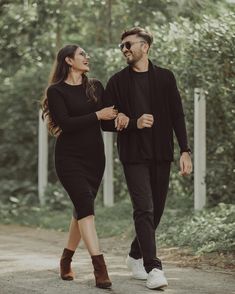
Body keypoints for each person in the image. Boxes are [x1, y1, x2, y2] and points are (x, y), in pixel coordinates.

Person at [101, 27, 192, 290]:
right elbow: (106, 123)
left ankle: (134, 255)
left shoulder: (165, 77)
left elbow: (177, 115)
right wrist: (132, 123)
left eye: (129, 44)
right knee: (144, 208)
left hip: (162, 153)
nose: (125, 49)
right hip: (133, 155)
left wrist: (185, 149)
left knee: (157, 211)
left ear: (145, 46)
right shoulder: (116, 82)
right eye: (122, 46)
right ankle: (154, 268)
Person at [41, 44, 117, 289]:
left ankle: (66, 260)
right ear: (68, 60)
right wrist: (98, 115)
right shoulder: (56, 91)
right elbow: (66, 123)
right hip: (69, 158)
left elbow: (108, 123)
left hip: (95, 158)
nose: (87, 57)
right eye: (82, 54)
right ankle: (100, 268)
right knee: (85, 205)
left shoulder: (95, 86)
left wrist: (126, 119)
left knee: (82, 209)